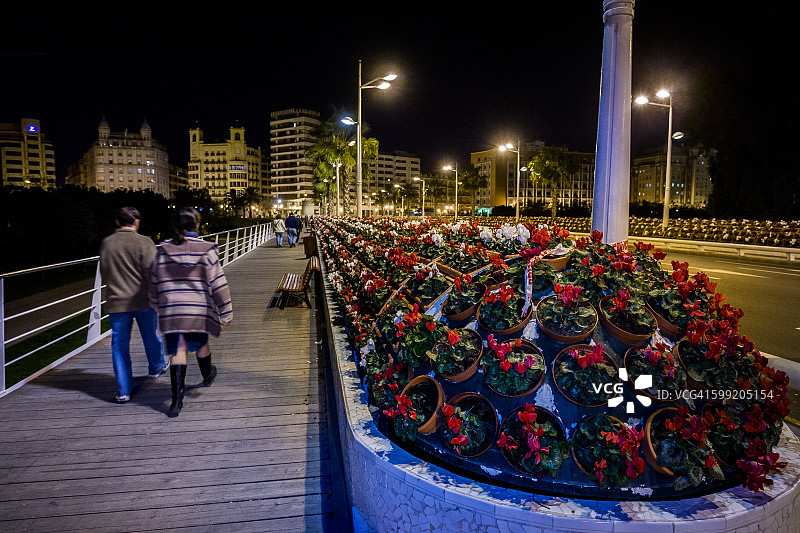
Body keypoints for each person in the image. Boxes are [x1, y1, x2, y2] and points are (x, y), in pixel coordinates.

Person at [150, 207, 233, 416]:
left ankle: (176, 402)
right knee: (201, 342)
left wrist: (155, 303)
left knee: (178, 349)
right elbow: (218, 283)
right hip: (197, 310)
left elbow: (154, 281)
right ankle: (207, 375)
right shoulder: (206, 250)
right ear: (196, 225)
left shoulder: (163, 250)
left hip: (172, 310)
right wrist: (226, 311)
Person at [100, 206, 168, 403]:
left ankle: (123, 390)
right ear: (136, 222)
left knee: (119, 345)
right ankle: (156, 367)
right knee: (151, 336)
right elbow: (153, 273)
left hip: (117, 302)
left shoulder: (107, 243)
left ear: (117, 222)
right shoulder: (144, 242)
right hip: (143, 300)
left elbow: (104, 271)